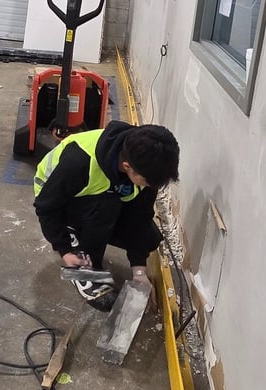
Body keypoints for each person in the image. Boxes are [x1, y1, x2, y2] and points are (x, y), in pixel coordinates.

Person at [33, 120, 180, 311]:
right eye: (147, 182)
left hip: (92, 199)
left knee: (149, 238)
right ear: (127, 166)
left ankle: (82, 234)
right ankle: (85, 269)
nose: (150, 186)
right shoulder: (80, 161)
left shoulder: (146, 164)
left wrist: (139, 272)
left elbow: (140, 217)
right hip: (61, 204)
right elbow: (46, 207)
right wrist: (65, 250)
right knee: (107, 205)